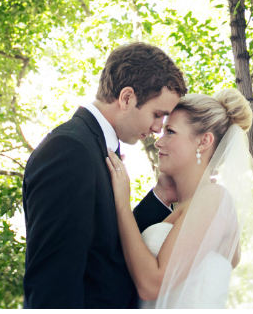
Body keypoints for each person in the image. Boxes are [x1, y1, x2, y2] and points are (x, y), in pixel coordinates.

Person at [22, 42, 188, 309]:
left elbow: (105, 251)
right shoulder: (69, 150)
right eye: (157, 115)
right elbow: (53, 283)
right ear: (126, 97)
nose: (158, 129)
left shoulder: (94, 146)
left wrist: (162, 195)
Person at [105, 88, 253, 308]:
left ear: (203, 141)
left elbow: (152, 285)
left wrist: (121, 204)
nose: (158, 142)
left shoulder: (215, 198)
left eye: (170, 132)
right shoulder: (188, 206)